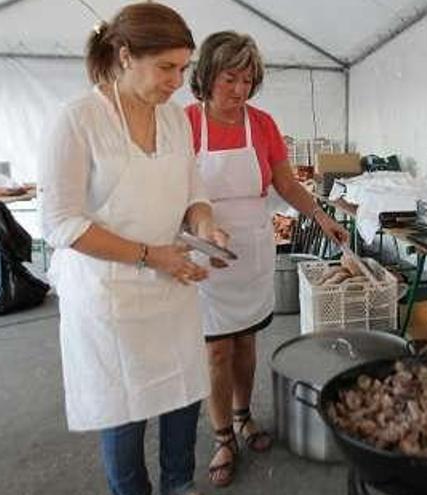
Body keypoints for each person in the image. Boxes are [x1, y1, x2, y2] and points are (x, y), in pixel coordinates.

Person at [39, 4, 227, 495]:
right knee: (124, 410)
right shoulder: (77, 120)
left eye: (183, 69)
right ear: (124, 56)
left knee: (182, 396)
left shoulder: (175, 120)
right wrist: (150, 255)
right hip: (109, 298)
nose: (177, 81)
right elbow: (60, 223)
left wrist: (205, 225)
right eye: (167, 67)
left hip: (172, 286)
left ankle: (179, 485)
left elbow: (193, 190)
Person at [185, 31, 348, 487]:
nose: (239, 90)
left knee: (246, 342)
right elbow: (173, 191)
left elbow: (287, 185)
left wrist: (321, 215)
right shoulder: (184, 124)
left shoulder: (264, 125)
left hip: (253, 246)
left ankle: (243, 415)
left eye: (248, 80)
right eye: (229, 78)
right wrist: (198, 231)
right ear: (206, 76)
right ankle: (222, 436)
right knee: (216, 347)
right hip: (207, 247)